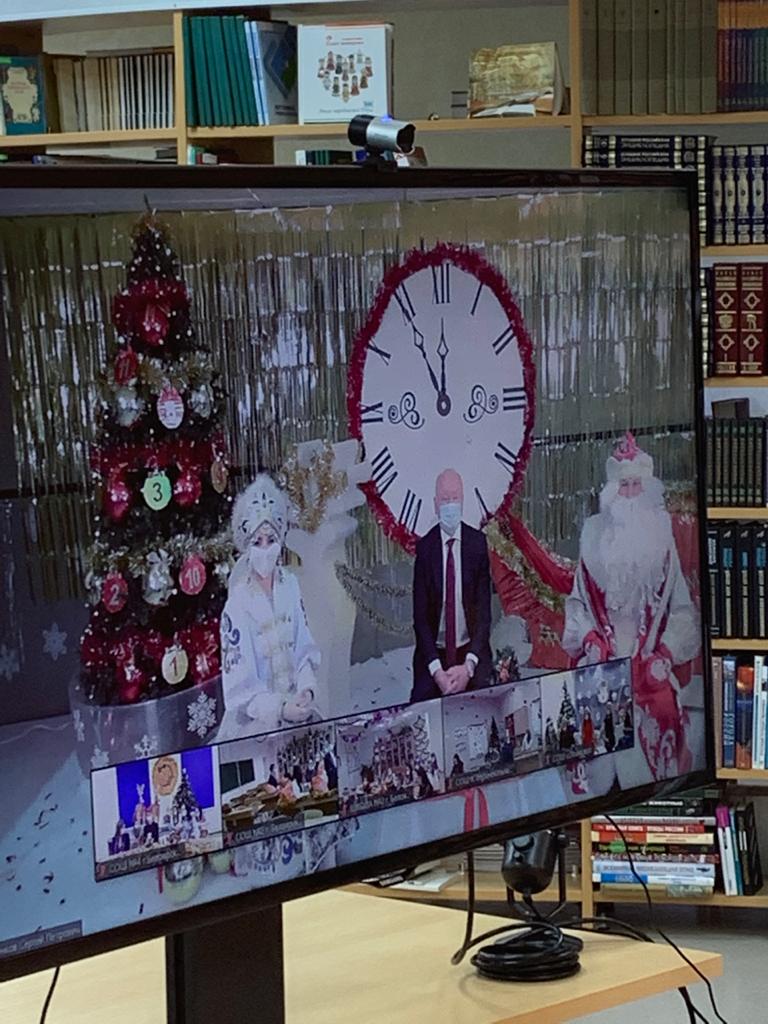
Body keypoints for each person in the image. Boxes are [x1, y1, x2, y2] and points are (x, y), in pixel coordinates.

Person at [562, 433, 700, 777]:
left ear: (648, 488)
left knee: (663, 707)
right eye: (623, 486)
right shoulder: (593, 540)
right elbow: (576, 605)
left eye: (636, 485)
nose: (630, 493)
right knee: (587, 716)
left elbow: (683, 612)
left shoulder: (663, 542)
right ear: (612, 491)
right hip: (604, 659)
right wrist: (590, 640)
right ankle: (599, 786)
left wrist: (665, 653)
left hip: (649, 660)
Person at [220, 474, 322, 738]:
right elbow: (240, 687)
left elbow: (303, 646)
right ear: (246, 546)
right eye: (257, 542)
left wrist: (306, 689)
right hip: (257, 727)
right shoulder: (237, 604)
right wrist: (280, 709)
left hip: (299, 715)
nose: (265, 549)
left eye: (271, 541)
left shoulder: (290, 585)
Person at [411, 469, 493, 701]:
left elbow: (484, 615)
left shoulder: (477, 545)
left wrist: (468, 667)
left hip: (470, 650)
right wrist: (437, 671)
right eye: (445, 499)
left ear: (463, 500)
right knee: (421, 706)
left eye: (454, 498)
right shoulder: (425, 550)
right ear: (435, 504)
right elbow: (420, 620)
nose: (450, 505)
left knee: (486, 703)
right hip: (433, 653)